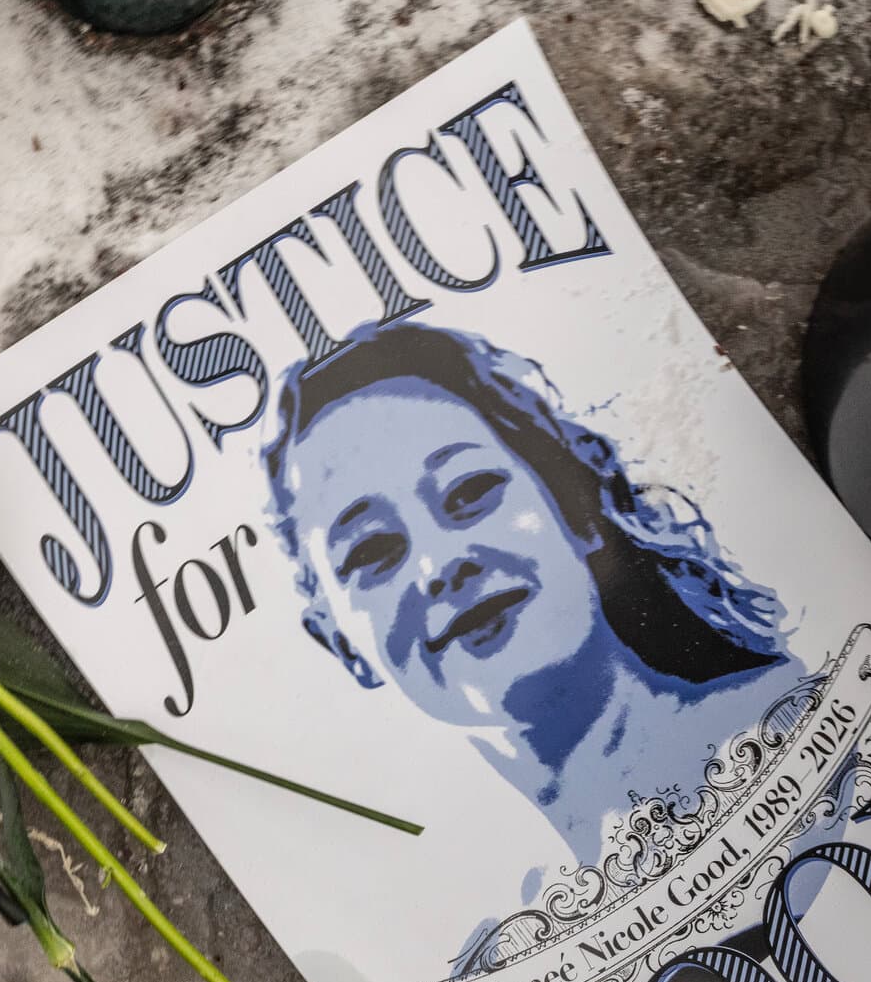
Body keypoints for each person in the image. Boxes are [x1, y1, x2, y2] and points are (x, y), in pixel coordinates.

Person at [260, 321, 806, 866]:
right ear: (341, 644)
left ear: (579, 514)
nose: (440, 564)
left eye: (471, 490)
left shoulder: (803, 723)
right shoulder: (471, 929)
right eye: (372, 551)